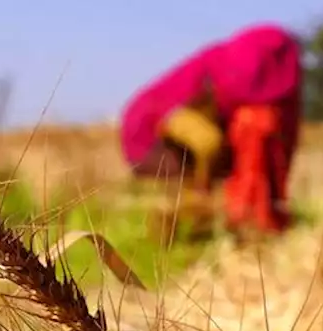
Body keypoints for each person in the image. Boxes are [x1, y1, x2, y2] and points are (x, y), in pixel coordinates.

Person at [119, 24, 303, 236]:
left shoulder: (236, 72)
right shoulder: (231, 77)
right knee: (213, 145)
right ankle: (202, 223)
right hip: (152, 136)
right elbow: (185, 127)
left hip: (162, 137)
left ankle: (224, 221)